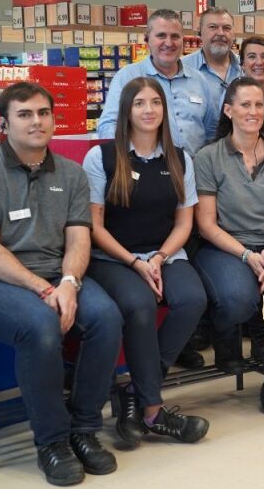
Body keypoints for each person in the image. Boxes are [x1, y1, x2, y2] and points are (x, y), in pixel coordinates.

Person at [0, 82, 122, 486]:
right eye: (25, 114)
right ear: (3, 124)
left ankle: (84, 430)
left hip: (55, 275)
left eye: (43, 113)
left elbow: (79, 239)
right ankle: (52, 441)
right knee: (40, 325)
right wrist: (44, 289)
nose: (36, 122)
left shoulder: (71, 172)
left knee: (106, 318)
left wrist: (68, 282)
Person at [84, 77, 209, 447]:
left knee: (193, 299)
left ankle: (135, 391)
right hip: (113, 257)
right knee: (139, 304)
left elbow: (184, 223)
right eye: (139, 103)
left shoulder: (180, 158)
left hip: (164, 252)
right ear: (126, 110)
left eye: (155, 102)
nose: (149, 110)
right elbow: (94, 226)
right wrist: (135, 263)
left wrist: (158, 257)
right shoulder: (102, 157)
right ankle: (153, 410)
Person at [193, 78, 264, 415]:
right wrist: (246, 255)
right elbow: (206, 224)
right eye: (245, 104)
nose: (254, 111)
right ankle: (227, 334)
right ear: (228, 110)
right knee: (237, 299)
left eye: (259, 105)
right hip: (225, 246)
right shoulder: (208, 158)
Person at [97, 9, 220, 154]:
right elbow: (108, 126)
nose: (168, 43)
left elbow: (211, 132)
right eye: (161, 35)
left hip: (193, 166)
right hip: (144, 166)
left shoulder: (199, 80)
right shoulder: (127, 77)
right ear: (147, 39)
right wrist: (134, 157)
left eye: (175, 36)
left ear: (182, 40)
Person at [183, 7, 241, 99]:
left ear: (233, 34)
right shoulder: (182, 68)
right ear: (200, 32)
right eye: (213, 27)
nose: (220, 33)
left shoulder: (245, 67)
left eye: (227, 28)